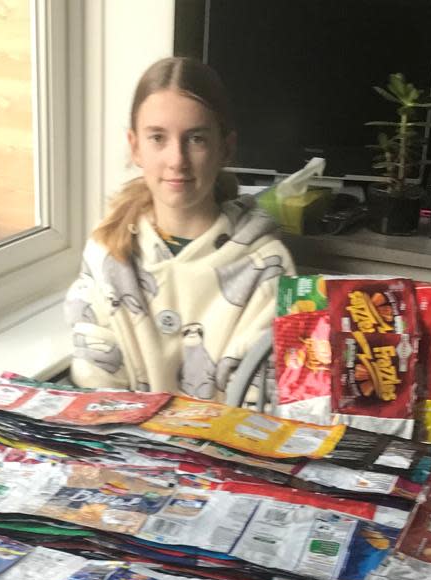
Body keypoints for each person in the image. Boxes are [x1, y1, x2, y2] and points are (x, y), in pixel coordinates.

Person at [66, 56, 293, 398]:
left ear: (225, 148)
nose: (177, 160)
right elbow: (95, 380)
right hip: (123, 445)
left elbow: (258, 402)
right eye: (158, 138)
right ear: (135, 147)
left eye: (196, 139)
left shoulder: (266, 265)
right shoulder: (107, 253)